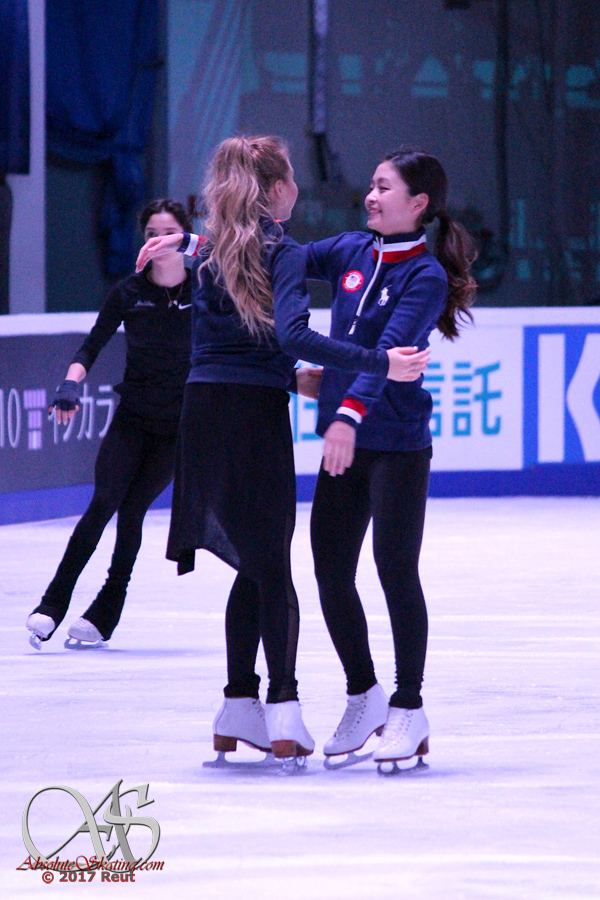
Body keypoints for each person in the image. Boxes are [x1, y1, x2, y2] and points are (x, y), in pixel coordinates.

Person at [135, 135, 429, 761]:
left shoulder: (218, 253)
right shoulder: (289, 251)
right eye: (292, 178)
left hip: (207, 413)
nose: (368, 195)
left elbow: (239, 332)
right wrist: (370, 368)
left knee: (262, 564)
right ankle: (286, 710)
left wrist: (190, 242)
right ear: (276, 190)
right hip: (255, 419)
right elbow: (291, 331)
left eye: (382, 186)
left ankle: (243, 703)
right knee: (274, 567)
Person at [305, 148, 477, 767]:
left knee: (394, 570)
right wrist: (197, 245)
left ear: (418, 203)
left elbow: (391, 348)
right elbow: (282, 258)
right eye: (372, 186)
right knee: (330, 570)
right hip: (345, 439)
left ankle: (408, 706)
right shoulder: (351, 249)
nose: (371, 196)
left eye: (383, 187)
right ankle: (365, 695)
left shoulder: (424, 276)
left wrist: (346, 413)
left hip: (395, 445)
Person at [26, 198, 195, 650]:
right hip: (132, 420)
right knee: (103, 502)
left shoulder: (206, 291)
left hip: (177, 430)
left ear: (184, 236)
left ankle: (106, 612)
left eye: (169, 233)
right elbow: (91, 346)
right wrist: (69, 385)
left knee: (133, 510)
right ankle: (51, 605)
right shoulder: (129, 292)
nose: (158, 241)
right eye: (151, 234)